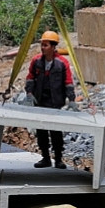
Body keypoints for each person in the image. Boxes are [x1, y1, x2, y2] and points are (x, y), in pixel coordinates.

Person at [22, 30, 78, 169]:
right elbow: (30, 78)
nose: (43, 48)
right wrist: (29, 93)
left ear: (53, 47)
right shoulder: (36, 61)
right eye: (42, 45)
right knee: (41, 131)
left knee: (56, 131)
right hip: (40, 100)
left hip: (55, 101)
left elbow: (68, 82)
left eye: (46, 45)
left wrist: (71, 99)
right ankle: (45, 157)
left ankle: (58, 159)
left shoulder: (62, 63)